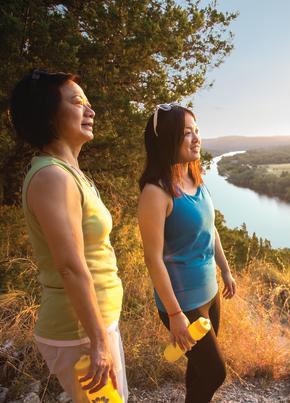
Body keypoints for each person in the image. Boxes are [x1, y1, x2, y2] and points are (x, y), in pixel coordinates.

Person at [10, 70, 127, 402]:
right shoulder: (52, 177)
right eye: (77, 102)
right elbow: (71, 267)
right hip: (79, 332)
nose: (90, 111)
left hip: (93, 326)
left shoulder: (71, 173)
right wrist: (98, 341)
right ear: (48, 115)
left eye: (88, 103)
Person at [137, 103, 236, 402]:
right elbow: (153, 259)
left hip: (210, 293)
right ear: (166, 140)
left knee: (199, 371)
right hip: (184, 303)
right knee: (215, 372)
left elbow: (211, 228)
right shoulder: (156, 193)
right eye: (186, 134)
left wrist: (226, 269)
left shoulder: (196, 178)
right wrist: (175, 313)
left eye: (197, 131)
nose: (196, 139)